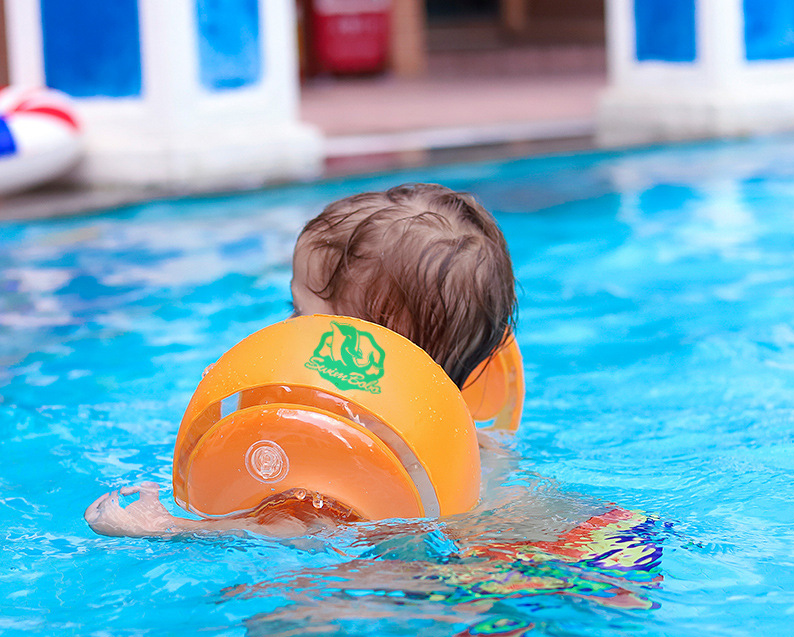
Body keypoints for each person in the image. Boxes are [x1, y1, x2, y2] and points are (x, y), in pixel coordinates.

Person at [85, 183, 518, 538]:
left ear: (366, 359)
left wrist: (166, 527)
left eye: (300, 315)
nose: (286, 329)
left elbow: (293, 526)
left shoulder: (351, 450)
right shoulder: (479, 447)